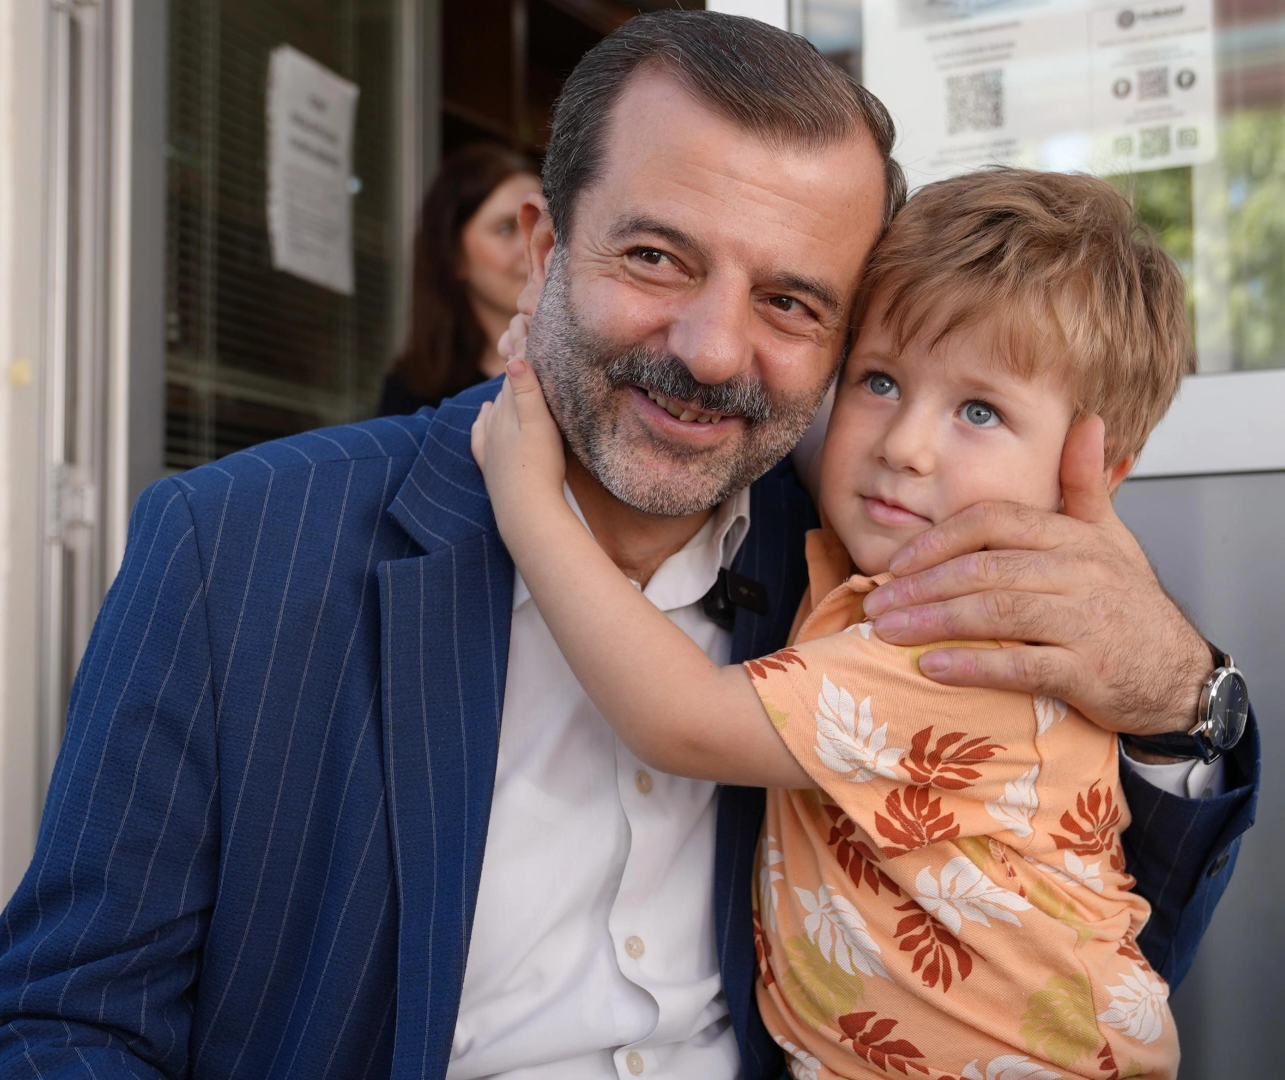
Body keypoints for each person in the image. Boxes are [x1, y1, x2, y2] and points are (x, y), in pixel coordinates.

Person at [0, 13, 1258, 1080]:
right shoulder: (237, 548)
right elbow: (52, 1030)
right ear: (544, 251)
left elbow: (1064, 938)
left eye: (790, 300)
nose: (712, 350)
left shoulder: (876, 572)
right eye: (656, 256)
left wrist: (1178, 700)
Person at [473, 168, 1193, 1080]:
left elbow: (680, 720)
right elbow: (797, 422)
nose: (906, 446)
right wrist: (562, 344)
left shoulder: (966, 648)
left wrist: (531, 505)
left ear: (1092, 468)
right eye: (880, 381)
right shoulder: (910, 544)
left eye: (980, 412)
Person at [379, 143, 541, 416]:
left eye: (542, 224)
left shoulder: (591, 361)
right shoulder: (415, 395)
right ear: (455, 256)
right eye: (506, 229)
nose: (533, 244)